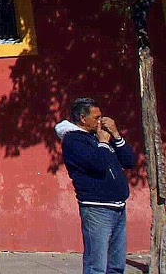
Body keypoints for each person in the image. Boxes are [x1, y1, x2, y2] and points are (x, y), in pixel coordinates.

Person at [57, 97, 136, 274]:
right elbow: (98, 166)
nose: (100, 121)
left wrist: (115, 134)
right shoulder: (73, 141)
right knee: (96, 265)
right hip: (96, 208)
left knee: (116, 265)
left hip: (118, 207)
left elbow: (130, 161)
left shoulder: (99, 137)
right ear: (83, 119)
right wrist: (103, 143)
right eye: (96, 117)